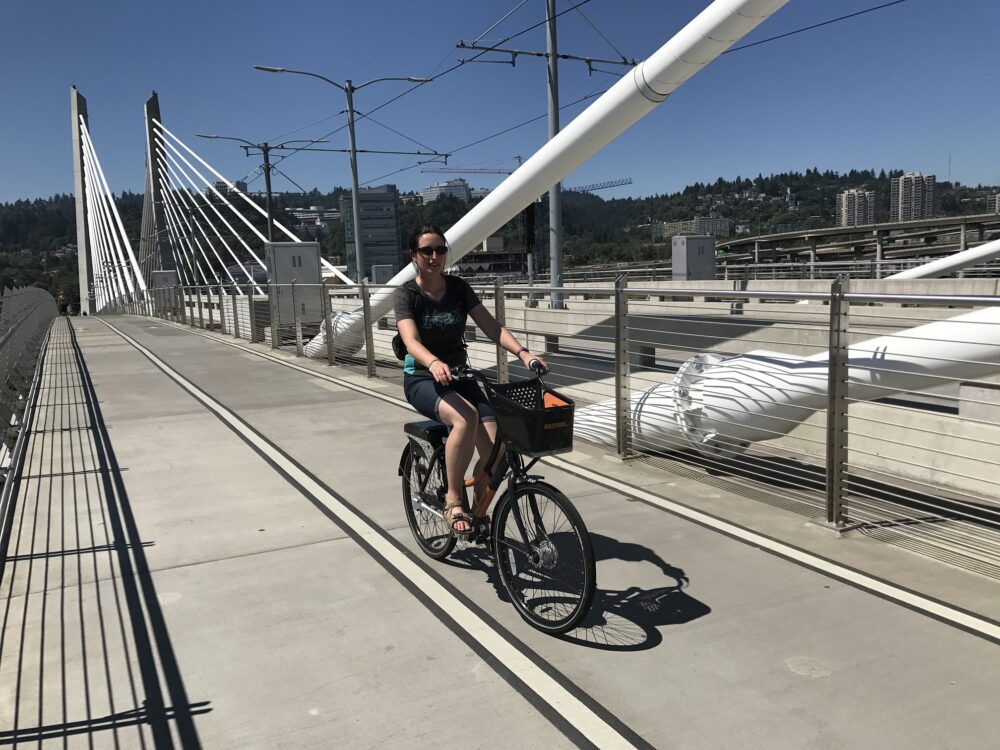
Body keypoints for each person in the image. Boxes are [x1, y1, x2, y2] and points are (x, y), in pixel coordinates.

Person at [394, 224, 546, 538]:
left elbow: (493, 328)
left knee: (497, 447)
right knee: (466, 419)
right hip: (422, 378)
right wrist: (433, 362)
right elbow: (410, 340)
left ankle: (478, 512)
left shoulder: (459, 289)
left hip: (460, 377)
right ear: (414, 256)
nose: (435, 256)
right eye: (427, 251)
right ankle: (453, 499)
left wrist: (523, 353)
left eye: (440, 249)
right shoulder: (407, 293)